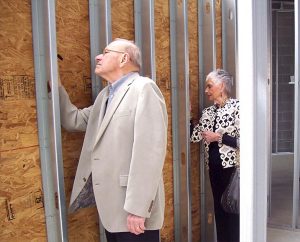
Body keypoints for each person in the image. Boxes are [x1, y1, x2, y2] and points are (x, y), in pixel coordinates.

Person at [58, 38, 168, 242]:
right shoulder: (105, 96)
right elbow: (74, 120)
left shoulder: (143, 88)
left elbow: (150, 152)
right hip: (112, 210)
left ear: (124, 58)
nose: (98, 56)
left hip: (133, 212)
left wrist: (138, 208)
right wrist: (54, 87)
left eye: (106, 52)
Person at [191, 69, 240, 242]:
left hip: (231, 171)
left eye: (209, 86)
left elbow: (246, 142)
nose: (206, 90)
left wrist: (218, 137)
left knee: (233, 210)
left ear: (222, 86)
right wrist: (188, 118)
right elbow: (195, 136)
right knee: (219, 210)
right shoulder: (208, 112)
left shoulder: (237, 108)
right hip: (214, 170)